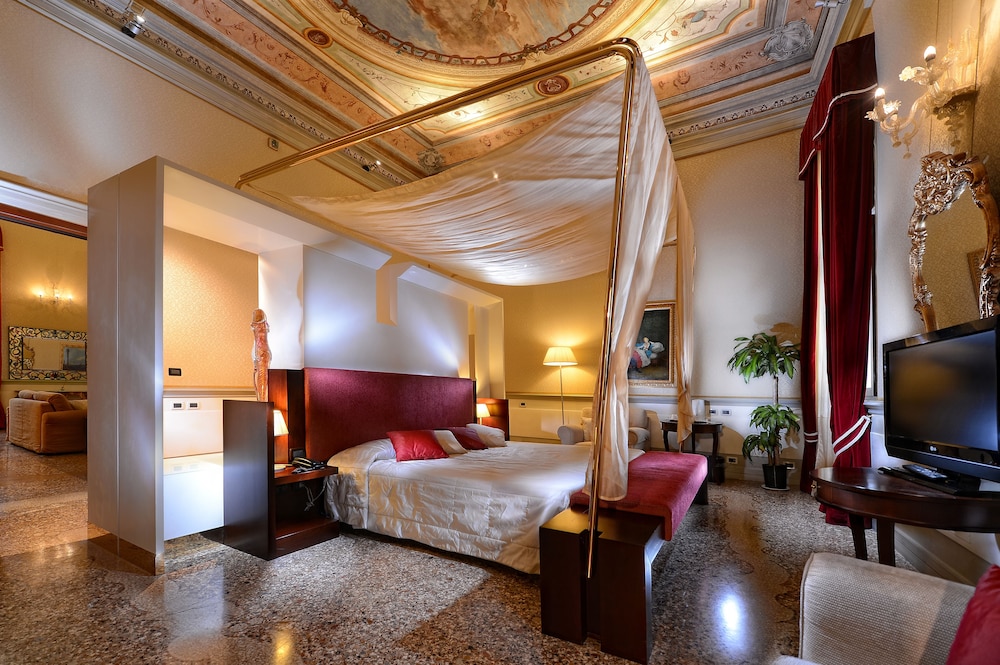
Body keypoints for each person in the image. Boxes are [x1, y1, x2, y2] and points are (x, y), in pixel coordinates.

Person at [250, 308, 272, 401]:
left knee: (262, 378)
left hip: (262, 353)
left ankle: (262, 400)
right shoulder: (259, 325)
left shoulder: (260, 325)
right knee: (259, 376)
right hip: (259, 352)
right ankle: (261, 400)